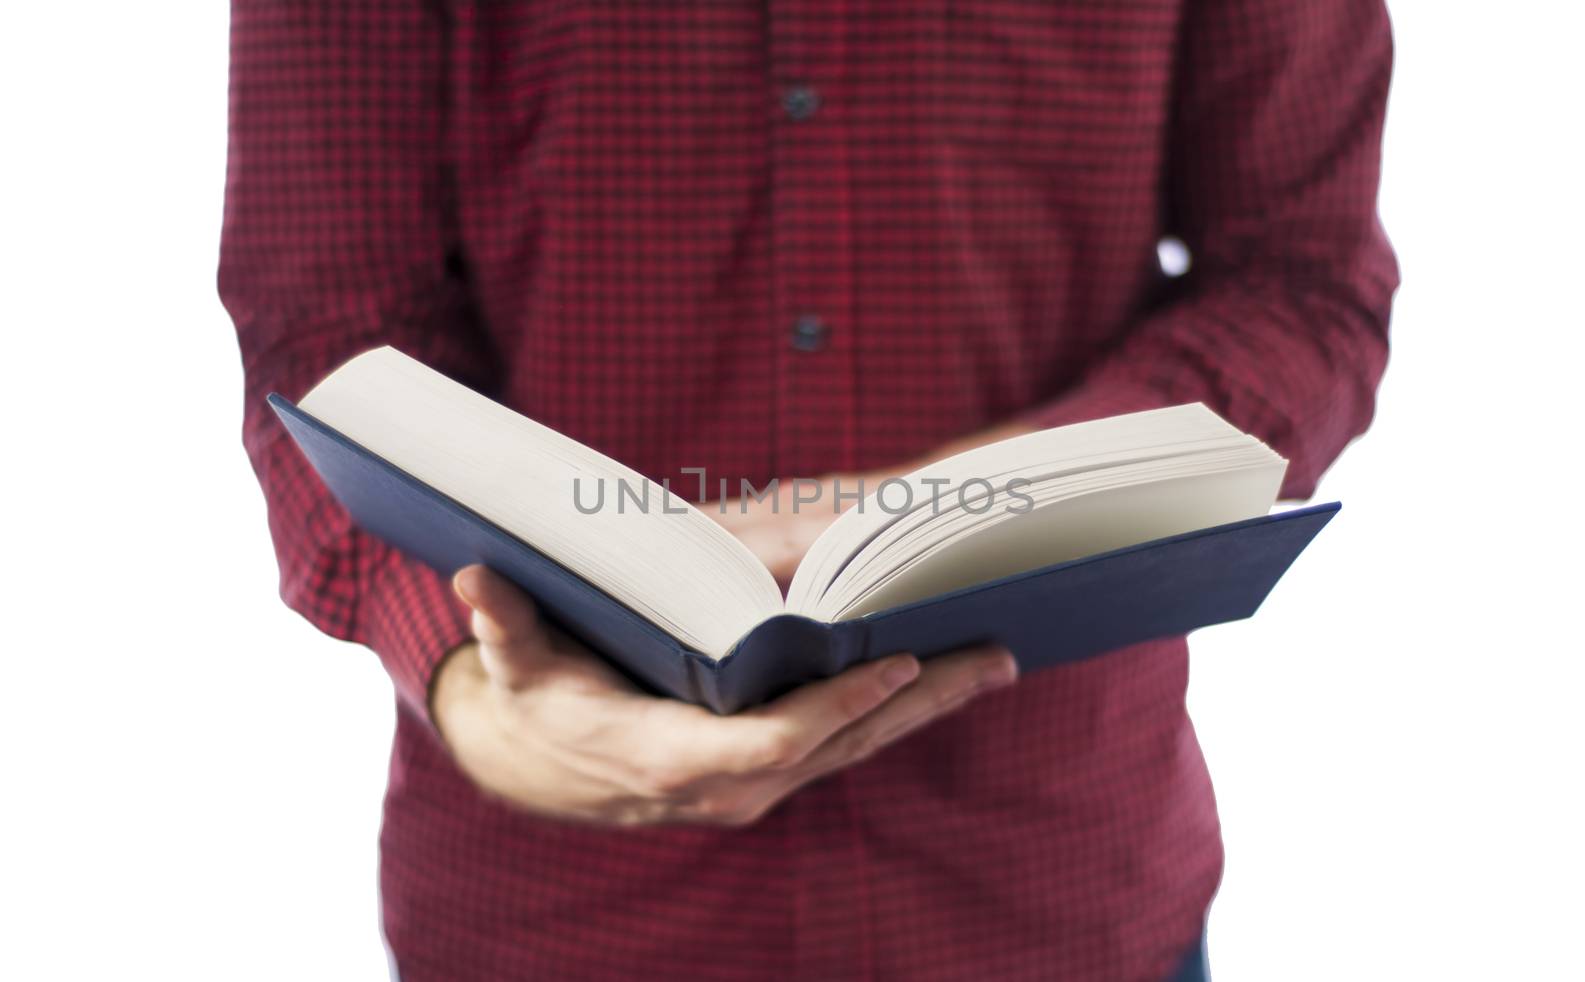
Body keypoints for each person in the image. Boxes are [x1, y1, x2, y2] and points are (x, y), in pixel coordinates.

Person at [221, 1, 1397, 978]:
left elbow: (1300, 281)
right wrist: (476, 692)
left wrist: (934, 509)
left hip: (1059, 890)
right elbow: (331, 329)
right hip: (557, 911)